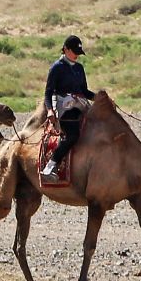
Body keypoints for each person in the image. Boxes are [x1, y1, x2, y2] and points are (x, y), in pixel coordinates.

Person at [40, 35, 94, 183]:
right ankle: (49, 167)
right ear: (66, 49)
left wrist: (101, 99)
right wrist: (50, 110)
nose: (77, 55)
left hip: (80, 104)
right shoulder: (57, 67)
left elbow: (85, 91)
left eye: (78, 52)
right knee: (73, 135)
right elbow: (48, 92)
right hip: (64, 107)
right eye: (74, 51)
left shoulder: (79, 68)